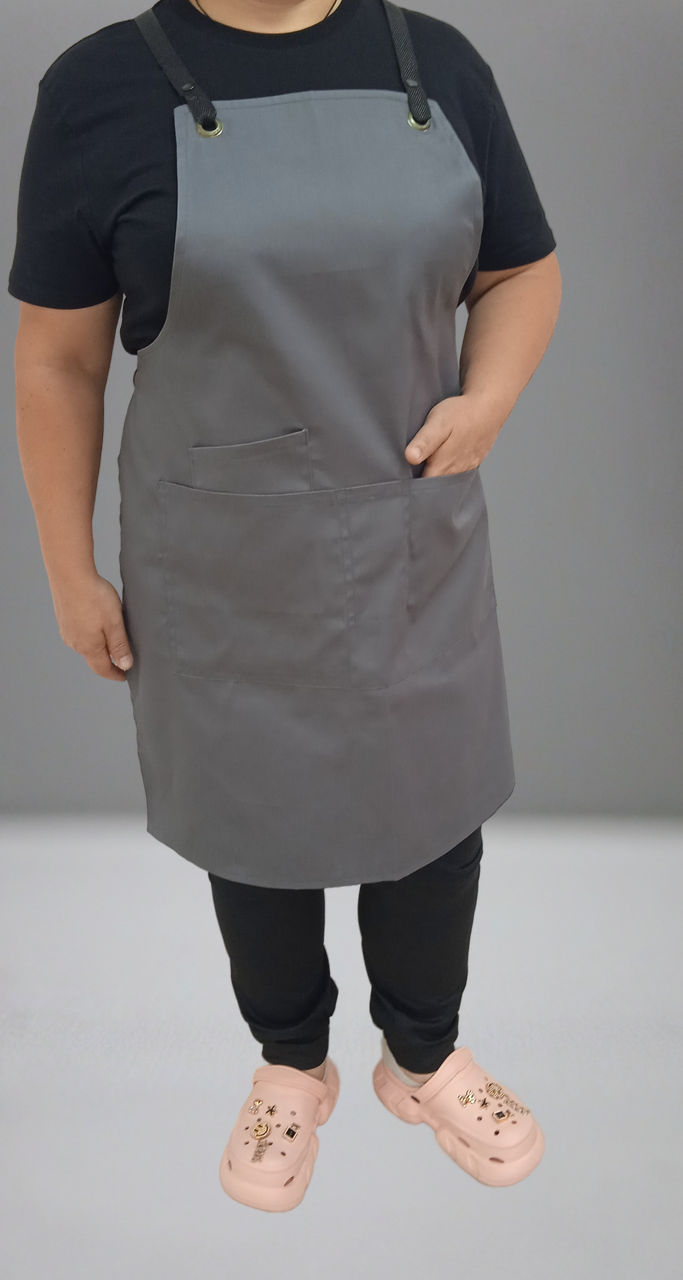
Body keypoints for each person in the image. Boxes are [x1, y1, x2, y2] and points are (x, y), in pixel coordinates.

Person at [10, 0, 561, 1212]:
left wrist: (487, 398)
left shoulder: (434, 66)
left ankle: (422, 1055)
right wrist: (66, 566)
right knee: (250, 809)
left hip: (406, 516)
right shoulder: (101, 89)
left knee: (431, 801)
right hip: (221, 546)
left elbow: (520, 268)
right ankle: (290, 1063)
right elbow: (58, 354)